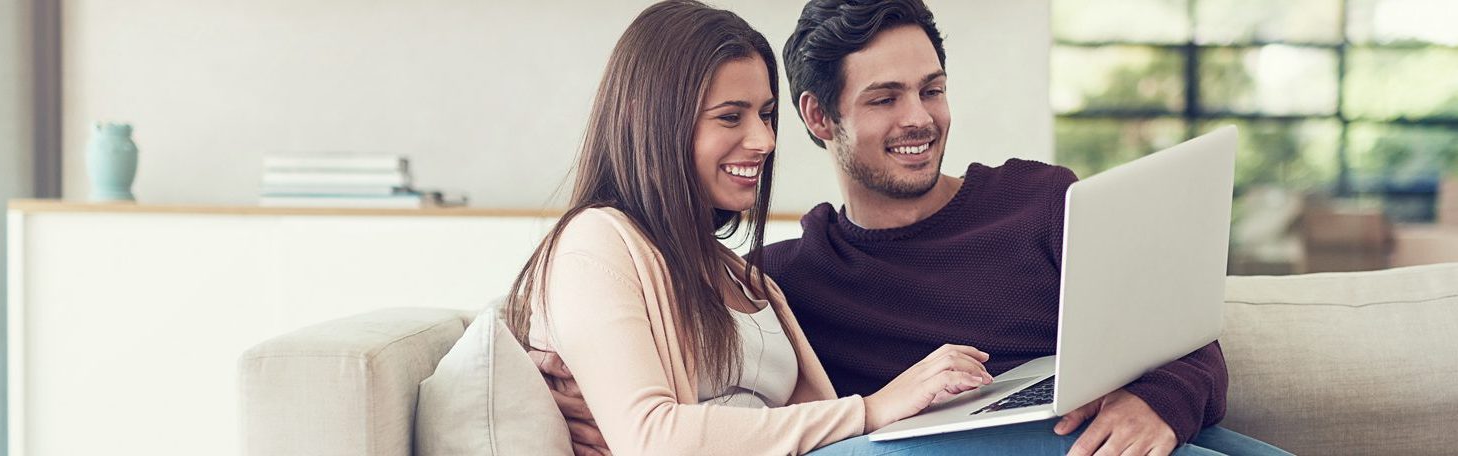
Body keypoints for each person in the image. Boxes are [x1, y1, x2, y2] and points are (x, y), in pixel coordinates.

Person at [536, 1, 1292, 455]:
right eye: (884, 98)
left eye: (931, 90)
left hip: (1114, 437)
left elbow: (1182, 337)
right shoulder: (794, 276)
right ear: (819, 117)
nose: (919, 119)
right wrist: (591, 400)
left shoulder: (1042, 201)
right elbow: (673, 411)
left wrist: (1158, 403)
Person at [503, 1, 1008, 455]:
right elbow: (651, 438)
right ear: (646, 118)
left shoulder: (745, 275)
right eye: (730, 117)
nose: (764, 140)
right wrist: (871, 409)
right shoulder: (596, 241)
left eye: (766, 115)